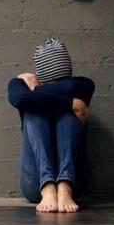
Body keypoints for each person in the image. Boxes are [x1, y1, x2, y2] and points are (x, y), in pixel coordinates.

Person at [7, 38, 95, 213]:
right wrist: (70, 102)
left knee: (67, 113)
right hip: (35, 183)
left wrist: (36, 90)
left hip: (75, 181)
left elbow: (71, 87)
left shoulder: (82, 85)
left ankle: (64, 184)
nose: (60, 87)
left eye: (62, 84)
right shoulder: (19, 86)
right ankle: (47, 186)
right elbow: (20, 99)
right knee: (35, 109)